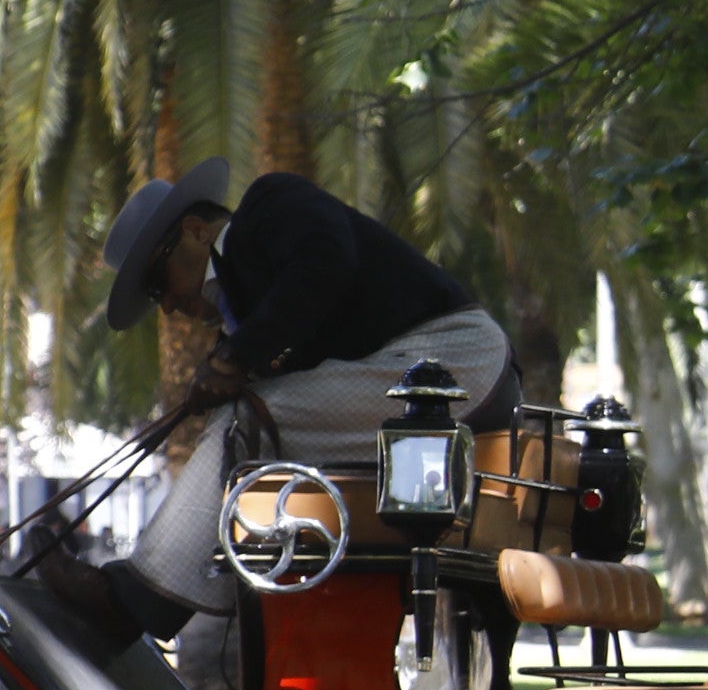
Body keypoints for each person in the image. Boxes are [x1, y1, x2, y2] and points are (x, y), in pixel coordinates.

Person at [82, 159, 519, 633]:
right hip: (428, 379)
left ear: (194, 230)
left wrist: (234, 359)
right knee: (252, 434)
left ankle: (136, 602)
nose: (165, 304)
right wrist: (237, 358)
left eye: (156, 282)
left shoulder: (271, 203)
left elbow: (325, 263)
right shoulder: (246, 308)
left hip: (457, 360)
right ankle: (229, 615)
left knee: (246, 418)